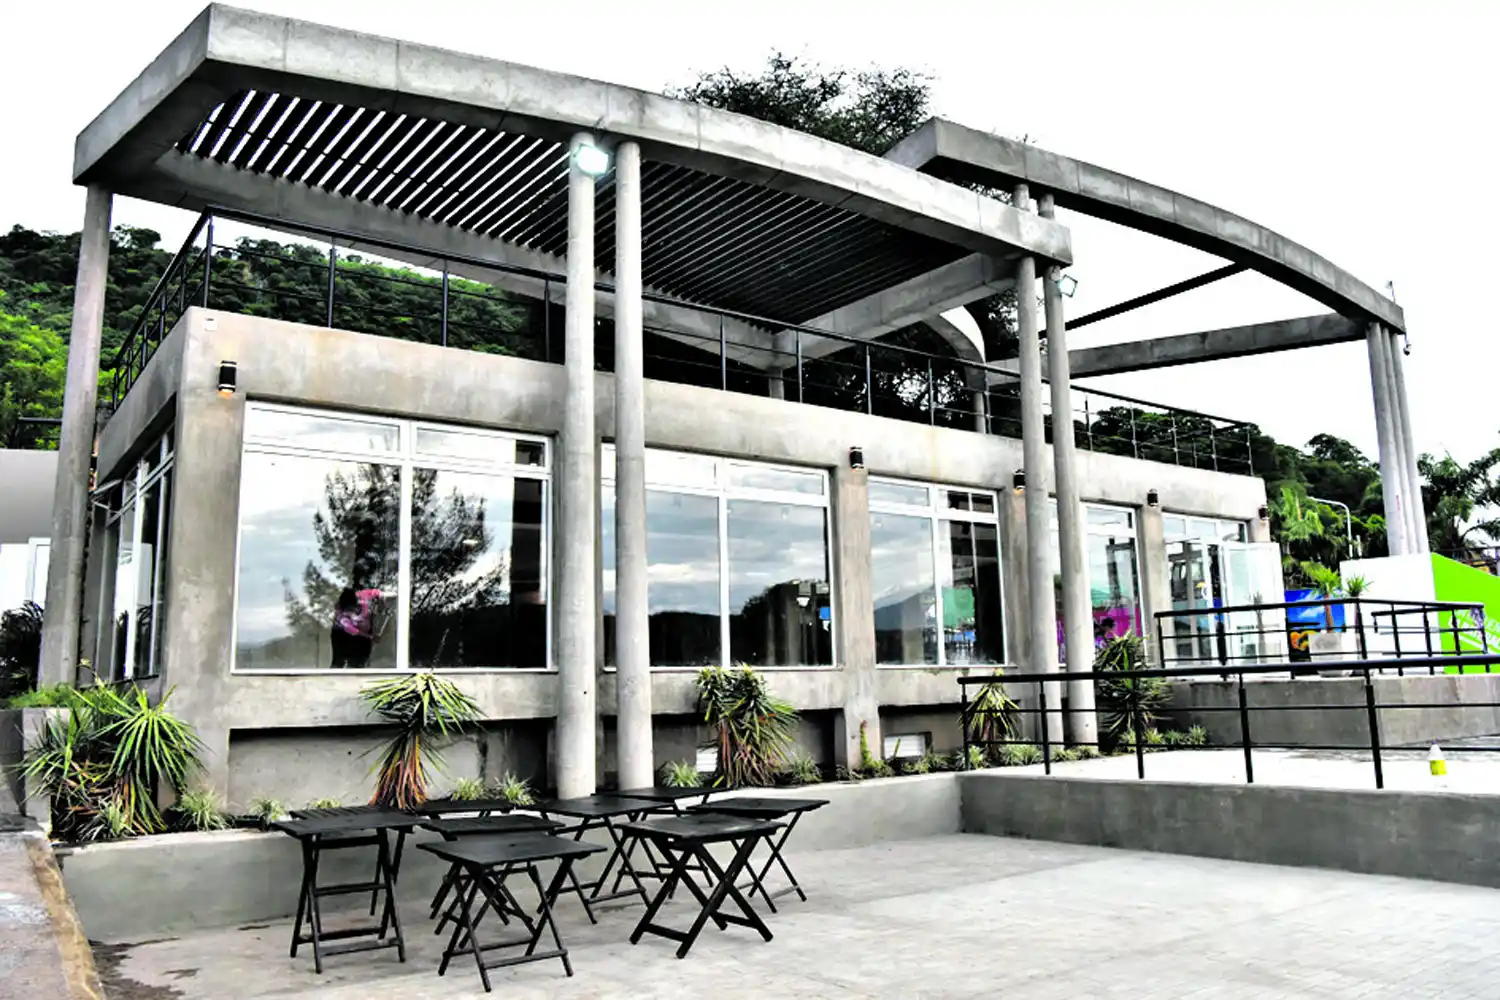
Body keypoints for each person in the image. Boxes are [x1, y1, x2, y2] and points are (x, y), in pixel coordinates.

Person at [329, 586, 383, 668]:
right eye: (348, 610)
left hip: (363, 629)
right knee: (339, 660)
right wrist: (371, 637)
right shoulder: (340, 615)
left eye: (352, 608)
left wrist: (381, 601)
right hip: (341, 635)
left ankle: (358, 665)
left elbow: (378, 593)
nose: (351, 611)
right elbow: (353, 631)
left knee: (360, 660)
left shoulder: (363, 596)